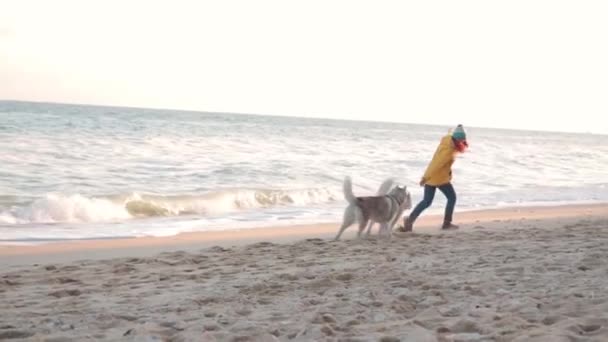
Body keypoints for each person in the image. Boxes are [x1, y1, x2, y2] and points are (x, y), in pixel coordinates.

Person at [399, 124, 468, 232]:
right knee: (452, 197)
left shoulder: (446, 142)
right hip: (438, 179)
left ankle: (410, 220)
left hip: (433, 178)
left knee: (427, 201)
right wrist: (425, 177)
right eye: (462, 140)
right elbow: (437, 164)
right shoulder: (448, 151)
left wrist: (459, 127)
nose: (463, 142)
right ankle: (446, 223)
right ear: (458, 139)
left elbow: (437, 163)